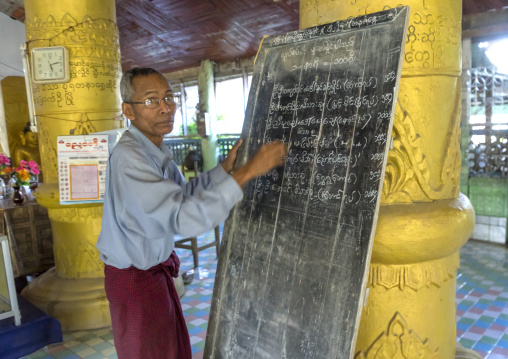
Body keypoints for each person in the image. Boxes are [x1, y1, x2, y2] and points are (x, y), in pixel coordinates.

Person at [96, 67, 287, 359]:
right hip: (135, 282)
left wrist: (224, 171)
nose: (165, 107)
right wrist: (249, 171)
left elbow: (182, 194)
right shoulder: (129, 157)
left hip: (152, 277)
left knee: (168, 351)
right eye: (151, 100)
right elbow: (182, 217)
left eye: (169, 97)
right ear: (128, 111)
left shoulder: (153, 151)